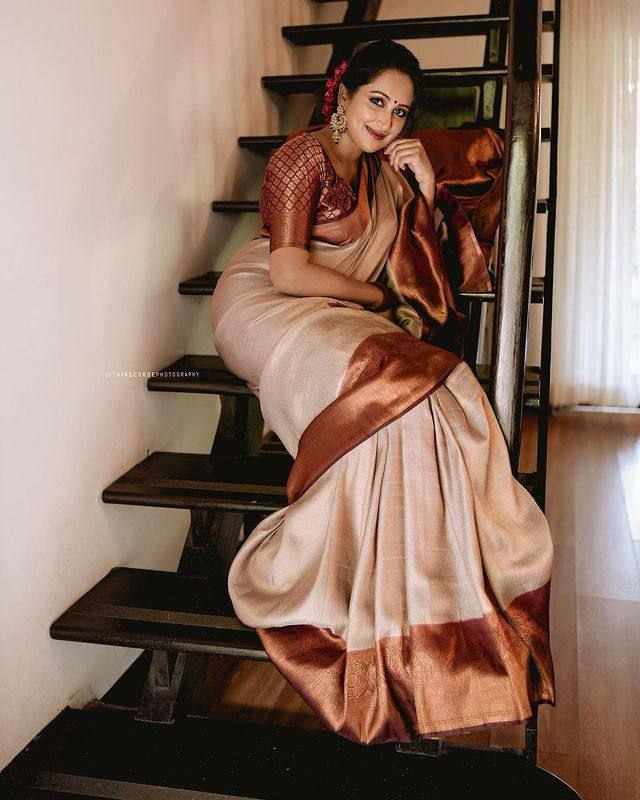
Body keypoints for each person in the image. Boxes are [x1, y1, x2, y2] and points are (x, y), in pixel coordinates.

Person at [210, 39, 555, 746]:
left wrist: (426, 186)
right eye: (376, 101)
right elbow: (289, 272)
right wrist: (372, 297)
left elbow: (434, 270)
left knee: (441, 392)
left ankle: (426, 604)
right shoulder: (300, 159)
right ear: (341, 94)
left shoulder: (384, 173)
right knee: (385, 394)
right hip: (267, 305)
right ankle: (347, 594)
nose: (387, 120)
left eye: (400, 111)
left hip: (336, 312)